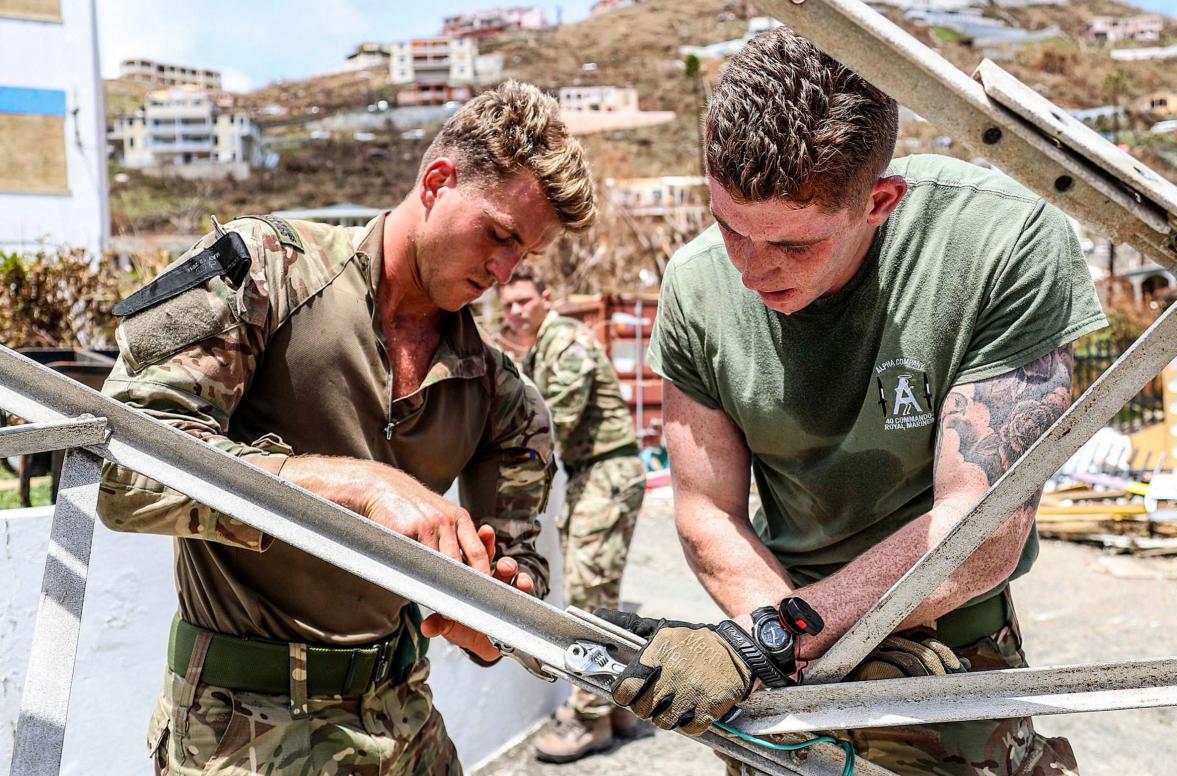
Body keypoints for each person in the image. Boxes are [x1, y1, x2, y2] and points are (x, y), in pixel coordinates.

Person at [595, 27, 1106, 776]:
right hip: (767, 638)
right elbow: (708, 508)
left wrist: (786, 637)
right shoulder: (695, 285)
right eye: (728, 227)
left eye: (793, 247)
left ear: (881, 201)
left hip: (939, 652)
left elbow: (982, 528)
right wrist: (778, 645)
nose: (749, 270)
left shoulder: (999, 243)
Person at [95, 81, 596, 775]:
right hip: (243, 736)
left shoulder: (504, 398)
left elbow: (520, 572)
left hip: (409, 729)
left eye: (526, 256)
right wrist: (358, 486)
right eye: (500, 234)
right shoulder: (264, 271)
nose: (504, 270)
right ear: (437, 181)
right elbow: (122, 471)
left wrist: (500, 614)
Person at [496, 268, 647, 762]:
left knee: (589, 600)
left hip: (606, 472)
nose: (515, 311)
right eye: (508, 304)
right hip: (595, 474)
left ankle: (589, 718)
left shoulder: (564, 337)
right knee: (598, 593)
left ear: (546, 297)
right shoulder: (543, 346)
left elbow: (557, 414)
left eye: (523, 301)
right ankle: (620, 704)